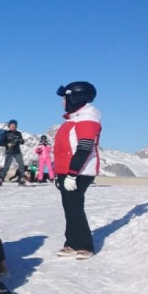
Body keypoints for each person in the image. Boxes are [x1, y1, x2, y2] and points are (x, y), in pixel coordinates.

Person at [54, 81, 102, 258]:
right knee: (70, 207)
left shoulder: (88, 118)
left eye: (65, 98)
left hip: (79, 171)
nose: (62, 102)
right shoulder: (75, 118)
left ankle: (84, 245)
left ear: (75, 98)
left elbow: (85, 147)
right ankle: (72, 243)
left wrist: (72, 174)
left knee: (74, 207)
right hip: (67, 171)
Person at [0, 120, 27, 186]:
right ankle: (0, 178)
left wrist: (21, 140)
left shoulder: (18, 133)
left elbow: (22, 142)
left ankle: (22, 179)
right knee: (6, 166)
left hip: (17, 151)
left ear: (16, 126)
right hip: (9, 152)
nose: (13, 126)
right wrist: (8, 144)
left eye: (14, 125)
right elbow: (1, 143)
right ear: (9, 126)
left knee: (21, 165)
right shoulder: (6, 133)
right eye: (11, 125)